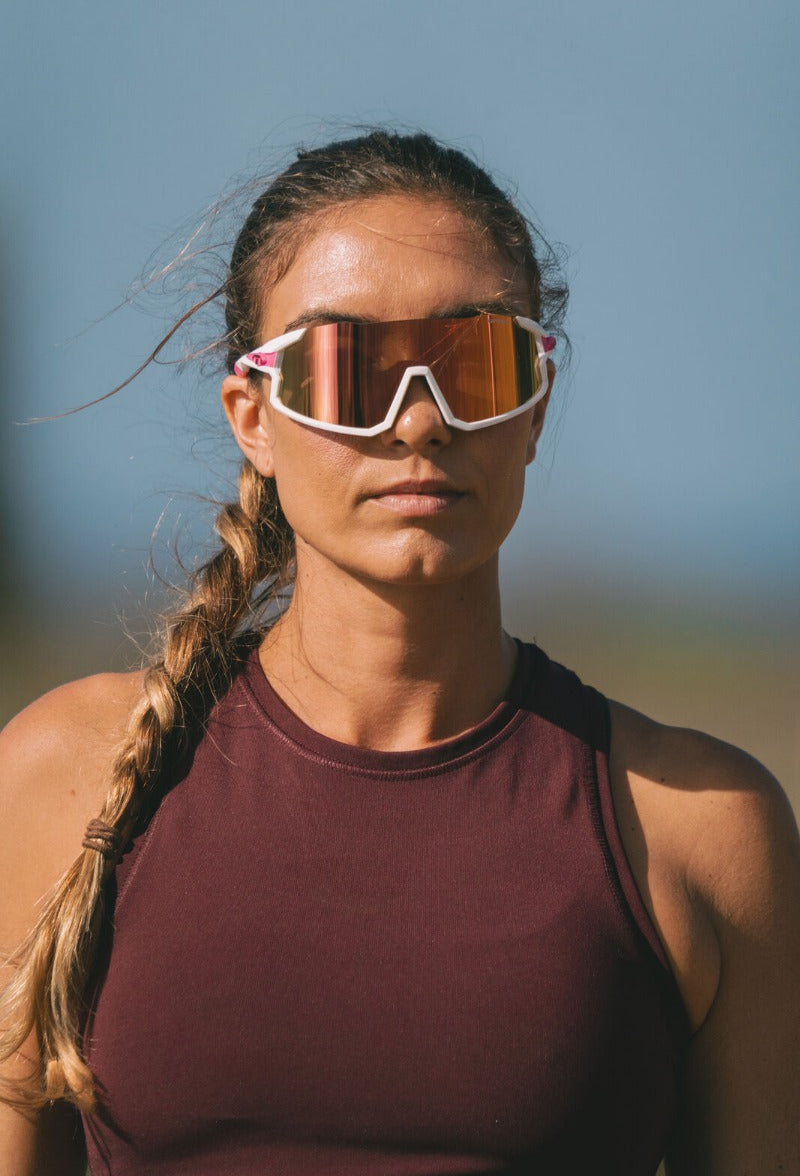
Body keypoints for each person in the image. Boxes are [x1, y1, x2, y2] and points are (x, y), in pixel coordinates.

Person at [0, 130, 798, 1176]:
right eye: (344, 369)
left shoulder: (701, 834)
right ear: (253, 417)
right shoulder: (65, 779)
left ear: (534, 407)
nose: (418, 420)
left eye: (475, 363)